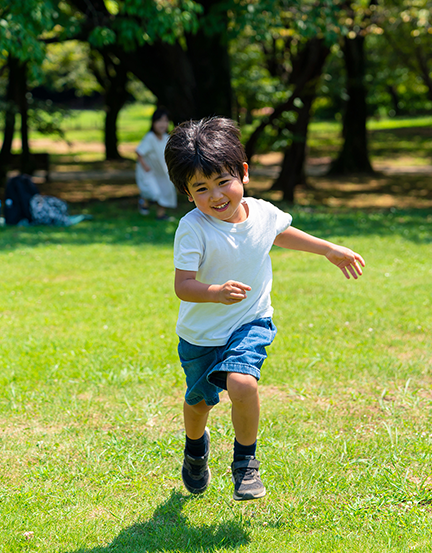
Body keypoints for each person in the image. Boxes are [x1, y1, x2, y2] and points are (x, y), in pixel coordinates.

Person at [164, 117, 366, 501]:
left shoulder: (261, 211)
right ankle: (195, 450)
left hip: (251, 321)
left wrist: (327, 248)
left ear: (243, 173)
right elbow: (183, 286)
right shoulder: (193, 228)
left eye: (223, 181)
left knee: (242, 382)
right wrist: (215, 292)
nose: (216, 195)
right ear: (188, 194)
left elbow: (279, 232)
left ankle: (245, 463)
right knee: (198, 403)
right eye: (201, 188)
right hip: (201, 336)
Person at [135, 108, 177, 220]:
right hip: (150, 171)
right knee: (154, 192)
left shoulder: (166, 138)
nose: (162, 124)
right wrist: (145, 166)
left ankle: (161, 214)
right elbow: (139, 152)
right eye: (159, 121)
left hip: (162, 171)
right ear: (153, 123)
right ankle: (143, 200)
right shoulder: (150, 138)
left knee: (166, 190)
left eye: (165, 121)